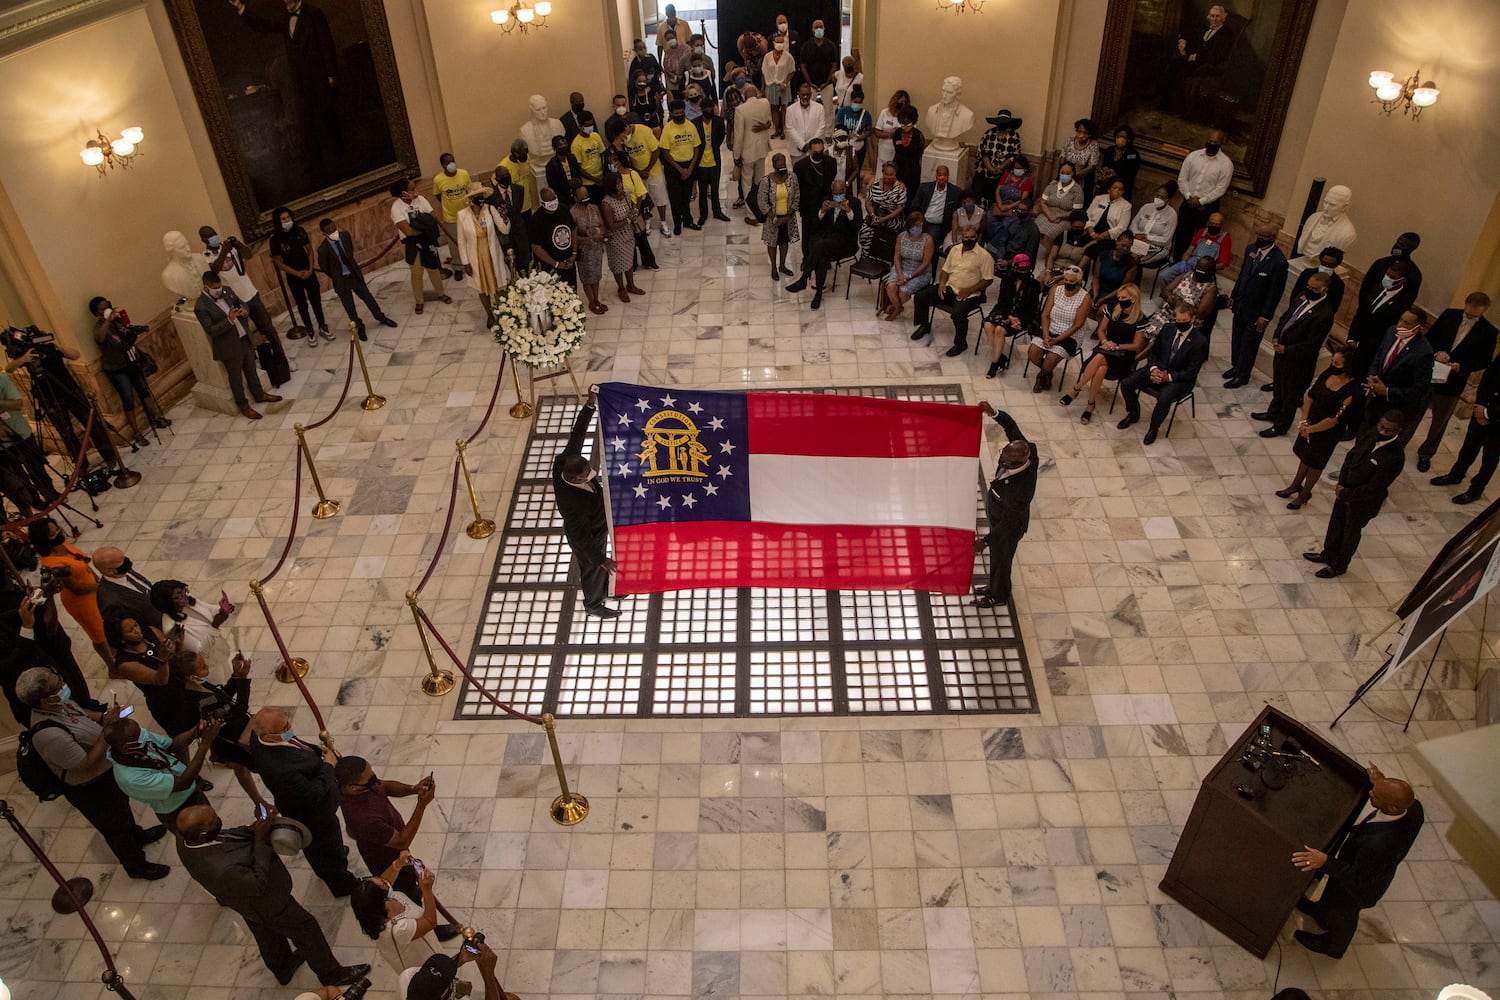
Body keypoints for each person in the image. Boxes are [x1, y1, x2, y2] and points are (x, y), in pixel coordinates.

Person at [176, 803, 371, 987]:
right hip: (267, 902)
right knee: (307, 928)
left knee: (266, 934)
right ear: (203, 834)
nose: (219, 822)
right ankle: (332, 975)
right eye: (215, 822)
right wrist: (260, 841)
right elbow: (257, 883)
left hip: (244, 901)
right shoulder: (221, 868)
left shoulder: (185, 838)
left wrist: (251, 830)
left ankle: (283, 967)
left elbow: (225, 838)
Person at [16, 669, 168, 879]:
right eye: (56, 688)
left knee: (122, 808)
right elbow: (84, 765)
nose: (63, 687)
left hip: (106, 770)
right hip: (90, 787)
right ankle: (136, 866)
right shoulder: (49, 735)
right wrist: (108, 730)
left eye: (60, 680)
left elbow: (87, 715)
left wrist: (110, 716)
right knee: (114, 827)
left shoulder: (61, 704)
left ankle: (137, 835)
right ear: (42, 700)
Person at [1290, 764, 1424, 957]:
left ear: (1392, 807)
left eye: (1376, 795)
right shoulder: (1413, 809)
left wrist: (1324, 861)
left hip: (1359, 887)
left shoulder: (1380, 845)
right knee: (1331, 897)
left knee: (1342, 913)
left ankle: (1334, 946)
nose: (1370, 793)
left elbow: (1356, 876)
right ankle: (1321, 912)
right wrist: (1380, 783)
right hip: (1361, 867)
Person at [248, 705, 358, 897]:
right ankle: (343, 884)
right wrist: (328, 765)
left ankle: (325, 867)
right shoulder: (280, 769)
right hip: (314, 814)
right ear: (268, 737)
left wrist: (316, 752)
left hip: (299, 807)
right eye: (283, 728)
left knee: (315, 847)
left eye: (287, 722)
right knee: (326, 846)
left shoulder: (259, 738)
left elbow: (296, 744)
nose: (289, 728)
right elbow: (312, 793)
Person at [227, 0, 341, 175]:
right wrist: (241, 7)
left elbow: (326, 42)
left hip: (319, 76)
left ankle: (336, 156)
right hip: (299, 79)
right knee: (305, 119)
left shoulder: (314, 14)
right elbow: (263, 26)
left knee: (326, 116)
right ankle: (314, 160)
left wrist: (331, 73)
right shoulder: (284, 17)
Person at [1303, 412, 1408, 577]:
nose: (1382, 431)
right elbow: (1351, 457)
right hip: (1345, 490)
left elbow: (1375, 487)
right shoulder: (1371, 434)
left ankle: (1339, 565)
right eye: (1381, 426)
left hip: (1362, 502)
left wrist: (1347, 493)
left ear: (1398, 430)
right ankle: (1328, 554)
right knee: (1336, 524)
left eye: (1388, 429)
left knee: (1350, 533)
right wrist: (1342, 484)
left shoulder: (1395, 457)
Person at [1414, 293, 1496, 473]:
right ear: (1466, 304)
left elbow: (1483, 361)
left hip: (1453, 382)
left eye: (1475, 314)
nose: (1471, 315)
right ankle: (1399, 442)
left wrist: (1461, 366)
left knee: (1439, 422)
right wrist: (1437, 353)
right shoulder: (1450, 315)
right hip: (1429, 373)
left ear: (1484, 310)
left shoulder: (1489, 332)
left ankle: (1426, 454)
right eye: (1469, 311)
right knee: (1414, 411)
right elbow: (1430, 337)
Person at [554, 388, 618, 618]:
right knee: (592, 568)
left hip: (597, 523)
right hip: (589, 535)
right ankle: (593, 604)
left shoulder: (564, 461)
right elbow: (580, 536)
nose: (591, 474)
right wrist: (600, 558)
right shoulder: (573, 506)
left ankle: (609, 589)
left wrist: (590, 406)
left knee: (603, 564)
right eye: (586, 474)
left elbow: (577, 434)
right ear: (574, 479)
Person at [197, 226, 290, 380]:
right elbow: (214, 271)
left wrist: (239, 246)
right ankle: (258, 369)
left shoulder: (228, 247)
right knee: (246, 337)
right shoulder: (206, 256)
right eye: (209, 236)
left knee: (268, 328)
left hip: (250, 293)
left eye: (215, 234)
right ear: (203, 240)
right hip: (234, 301)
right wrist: (224, 252)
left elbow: (249, 255)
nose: (214, 237)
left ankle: (282, 360)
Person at [350, 854, 465, 976]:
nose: (385, 881)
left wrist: (398, 863)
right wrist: (427, 890)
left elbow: (386, 880)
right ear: (380, 899)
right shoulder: (399, 929)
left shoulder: (383, 901)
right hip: (421, 960)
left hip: (425, 942)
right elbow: (430, 922)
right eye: (383, 883)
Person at [1276, 342, 1359, 510]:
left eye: (1337, 364)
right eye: (1332, 362)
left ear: (1347, 367)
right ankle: (1295, 484)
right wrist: (1304, 421)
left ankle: (1306, 493)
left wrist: (1311, 430)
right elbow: (1310, 396)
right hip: (1310, 423)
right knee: (1304, 456)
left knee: (1315, 462)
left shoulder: (1351, 390)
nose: (1332, 366)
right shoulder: (1328, 373)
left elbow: (1334, 419)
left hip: (1327, 432)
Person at [1253, 271, 1337, 438]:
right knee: (1278, 385)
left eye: (1314, 288)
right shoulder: (1302, 296)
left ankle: (1281, 425)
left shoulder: (1324, 314)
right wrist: (1277, 335)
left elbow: (1311, 344)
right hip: (1281, 351)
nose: (1309, 290)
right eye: (1308, 286)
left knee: (1290, 394)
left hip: (1298, 361)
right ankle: (1272, 412)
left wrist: (1287, 349)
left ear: (1323, 290)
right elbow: (1286, 316)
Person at [193, 271, 283, 420]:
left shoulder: (227, 291)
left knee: (251, 369)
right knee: (236, 378)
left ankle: (259, 394)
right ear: (206, 287)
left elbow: (244, 304)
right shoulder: (201, 306)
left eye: (220, 286)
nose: (219, 290)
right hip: (228, 346)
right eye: (215, 288)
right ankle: (244, 406)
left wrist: (244, 312)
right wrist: (229, 320)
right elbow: (211, 330)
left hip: (244, 339)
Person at [973, 402, 1038, 610]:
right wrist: (994, 413)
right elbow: (1011, 426)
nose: (1001, 460)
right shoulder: (1027, 449)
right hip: (1000, 515)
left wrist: (985, 541)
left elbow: (1008, 525)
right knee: (998, 559)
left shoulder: (1021, 492)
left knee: (1002, 561)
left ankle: (998, 595)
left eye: (1006, 460)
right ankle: (995, 586)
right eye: (1003, 454)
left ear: (1018, 464)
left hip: (1009, 527)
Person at [1118, 300, 1209, 445]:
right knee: (1126, 383)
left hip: (1178, 379)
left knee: (1164, 398)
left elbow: (1192, 371)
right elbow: (1154, 352)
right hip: (1157, 369)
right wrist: (1154, 369)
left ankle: (1154, 427)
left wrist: (1168, 377)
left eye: (1184, 320)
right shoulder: (1168, 329)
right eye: (1178, 320)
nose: (1180, 323)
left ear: (1192, 319)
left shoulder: (1200, 342)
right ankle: (1134, 412)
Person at [105, 714, 220, 824]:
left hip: (192, 791)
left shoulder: (139, 741)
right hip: (178, 809)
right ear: (125, 748)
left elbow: (174, 745)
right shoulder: (132, 778)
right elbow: (183, 783)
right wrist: (205, 744)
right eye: (138, 735)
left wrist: (196, 730)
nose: (144, 733)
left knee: (213, 823)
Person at [335, 755, 437, 876]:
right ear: (353, 788)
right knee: (411, 889)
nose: (374, 778)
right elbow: (401, 841)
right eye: (370, 779)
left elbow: (383, 786)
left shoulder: (365, 784)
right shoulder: (363, 819)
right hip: (390, 864)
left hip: (399, 850)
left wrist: (414, 789)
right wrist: (421, 805)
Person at [28, 518, 111, 667]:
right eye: (53, 534)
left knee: (108, 624)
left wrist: (98, 581)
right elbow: (76, 588)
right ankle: (112, 666)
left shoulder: (63, 545)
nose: (59, 533)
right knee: (99, 634)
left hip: (93, 588)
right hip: (81, 601)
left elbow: (82, 562)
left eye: (57, 529)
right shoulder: (52, 563)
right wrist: (101, 587)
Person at [89, 296, 169, 447]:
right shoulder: (99, 328)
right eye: (103, 308)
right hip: (116, 368)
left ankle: (156, 418)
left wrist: (122, 319)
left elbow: (128, 332)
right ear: (96, 313)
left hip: (130, 362)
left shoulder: (117, 323)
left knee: (144, 390)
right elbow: (100, 338)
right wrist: (107, 320)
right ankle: (137, 432)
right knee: (128, 398)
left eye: (108, 306)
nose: (107, 309)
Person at [1065, 282, 1148, 423]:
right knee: (1101, 368)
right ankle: (1090, 405)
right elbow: (1101, 331)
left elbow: (1136, 345)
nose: (1120, 300)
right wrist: (1104, 342)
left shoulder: (1140, 319)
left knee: (1099, 358)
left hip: (1123, 355)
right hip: (1106, 348)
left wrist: (1117, 346)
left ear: (1133, 299)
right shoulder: (1112, 308)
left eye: (1123, 298)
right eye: (1119, 297)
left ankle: (1076, 389)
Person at [1223, 221, 1289, 387]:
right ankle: (1235, 366)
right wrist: (1234, 295)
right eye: (1259, 234)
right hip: (1241, 304)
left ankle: (1243, 374)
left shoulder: (1279, 262)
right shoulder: (1251, 249)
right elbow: (1243, 274)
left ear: (1273, 238)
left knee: (1249, 344)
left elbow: (1275, 293)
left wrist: (1265, 316)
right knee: (1237, 338)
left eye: (1264, 236)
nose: (1260, 238)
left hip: (1257, 311)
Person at [912, 225, 995, 356]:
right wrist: (942, 284)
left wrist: (970, 290)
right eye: (966, 237)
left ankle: (961, 343)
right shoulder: (955, 250)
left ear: (977, 237)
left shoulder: (985, 256)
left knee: (958, 313)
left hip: (970, 294)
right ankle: (924, 325)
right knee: (921, 296)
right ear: (961, 237)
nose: (969, 240)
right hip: (950, 288)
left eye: (972, 237)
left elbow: (988, 280)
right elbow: (945, 270)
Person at [1431, 352, 1500, 505]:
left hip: (1497, 420)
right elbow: (1487, 379)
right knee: (1469, 446)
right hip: (1481, 409)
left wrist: (1488, 413)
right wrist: (1480, 406)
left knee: (1490, 458)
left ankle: (1475, 490)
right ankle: (1456, 474)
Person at [1361, 308, 1434, 445]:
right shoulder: (1391, 332)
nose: (1400, 325)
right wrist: (1372, 377)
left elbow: (1419, 389)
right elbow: (1379, 357)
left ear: (1418, 328)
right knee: (1364, 436)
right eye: (1400, 319)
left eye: (1407, 323)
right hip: (1374, 399)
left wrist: (1387, 391)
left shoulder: (1423, 353)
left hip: (1395, 407)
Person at [317, 219, 399, 339]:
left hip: (354, 275)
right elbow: (325, 267)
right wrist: (337, 275)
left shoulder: (345, 236)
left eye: (334, 228)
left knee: (367, 296)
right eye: (330, 231)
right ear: (324, 234)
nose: (334, 231)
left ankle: (380, 317)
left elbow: (350, 252)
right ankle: (359, 326)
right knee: (349, 306)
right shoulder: (323, 249)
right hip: (341, 280)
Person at [785, 178, 859, 309]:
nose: (837, 197)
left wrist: (849, 212)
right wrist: (822, 212)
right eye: (835, 194)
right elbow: (814, 225)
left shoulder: (855, 203)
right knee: (821, 253)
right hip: (825, 239)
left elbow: (857, 227)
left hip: (844, 242)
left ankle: (803, 279)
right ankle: (818, 293)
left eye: (840, 193)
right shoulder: (826, 199)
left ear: (845, 191)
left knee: (819, 246)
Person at [268, 207, 332, 347]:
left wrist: (310, 268)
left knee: (316, 300)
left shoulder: (300, 231)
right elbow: (278, 262)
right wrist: (297, 273)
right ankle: (309, 330)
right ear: (278, 222)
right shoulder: (275, 240)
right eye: (283, 219)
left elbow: (309, 251)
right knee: (302, 304)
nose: (287, 221)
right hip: (294, 276)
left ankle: (322, 326)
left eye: (288, 218)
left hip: (308, 272)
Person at [1024, 264, 1093, 391]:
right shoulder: (1056, 290)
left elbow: (1078, 324)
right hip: (1050, 329)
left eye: (1071, 281)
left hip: (1070, 335)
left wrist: (1057, 340)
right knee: (1033, 354)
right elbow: (1045, 314)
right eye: (1066, 280)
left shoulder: (1085, 298)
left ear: (1079, 281)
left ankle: (1042, 376)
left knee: (1050, 360)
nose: (1068, 283)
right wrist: (1045, 334)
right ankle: (1047, 373)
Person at [390, 178, 451, 315]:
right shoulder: (396, 208)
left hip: (426, 240)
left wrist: (424, 227)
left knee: (434, 268)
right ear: (403, 193)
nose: (415, 191)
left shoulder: (421, 200)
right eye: (411, 189)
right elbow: (408, 231)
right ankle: (419, 301)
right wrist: (425, 227)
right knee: (417, 272)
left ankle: (441, 293)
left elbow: (433, 217)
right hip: (410, 243)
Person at [1171, 131, 1233, 260]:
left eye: (1215, 142)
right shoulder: (1193, 156)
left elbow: (1220, 189)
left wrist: (1201, 201)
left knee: (1202, 239)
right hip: (1188, 202)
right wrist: (1188, 196)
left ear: (1221, 144)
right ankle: (1176, 263)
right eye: (1210, 141)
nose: (1211, 144)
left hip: (1207, 207)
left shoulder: (1226, 164)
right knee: (1182, 235)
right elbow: (1182, 178)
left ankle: (1194, 266)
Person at [981, 253, 1040, 378]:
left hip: (1021, 316)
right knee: (987, 325)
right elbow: (1001, 301)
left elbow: (1032, 309)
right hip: (1005, 310)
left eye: (1025, 270)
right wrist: (1008, 316)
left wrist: (1017, 319)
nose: (1023, 272)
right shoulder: (1007, 279)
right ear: (1014, 268)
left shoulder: (1034, 285)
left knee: (999, 330)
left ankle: (994, 363)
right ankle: (1000, 357)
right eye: (1020, 270)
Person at [455, 182, 511, 313]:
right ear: (471, 199)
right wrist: (465, 262)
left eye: (482, 195)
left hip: (492, 252)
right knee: (481, 286)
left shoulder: (490, 209)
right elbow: (461, 240)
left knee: (499, 283)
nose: (481, 198)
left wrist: (505, 218)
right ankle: (489, 314)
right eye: (477, 195)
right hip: (476, 255)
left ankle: (502, 312)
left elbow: (505, 230)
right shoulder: (462, 215)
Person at [599, 170, 647, 303]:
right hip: (616, 239)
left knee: (629, 262)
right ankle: (621, 288)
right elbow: (610, 226)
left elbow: (631, 206)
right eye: (617, 184)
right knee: (618, 266)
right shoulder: (607, 203)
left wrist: (634, 211)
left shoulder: (625, 195)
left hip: (628, 236)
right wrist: (627, 221)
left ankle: (630, 285)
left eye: (620, 183)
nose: (620, 186)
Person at [879, 211, 934, 322]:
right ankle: (899, 308)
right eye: (914, 227)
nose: (917, 230)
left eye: (919, 227)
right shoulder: (901, 236)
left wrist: (908, 277)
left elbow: (925, 264)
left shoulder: (928, 240)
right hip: (903, 266)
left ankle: (895, 308)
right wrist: (900, 274)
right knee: (890, 287)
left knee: (903, 291)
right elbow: (897, 257)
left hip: (920, 271)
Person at [659, 100, 703, 235]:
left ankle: (688, 221)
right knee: (675, 198)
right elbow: (665, 152)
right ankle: (677, 224)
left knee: (686, 196)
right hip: (673, 167)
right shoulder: (667, 129)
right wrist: (680, 169)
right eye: (676, 113)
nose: (680, 115)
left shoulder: (691, 126)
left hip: (689, 165)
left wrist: (690, 168)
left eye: (682, 112)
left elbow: (696, 148)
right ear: (671, 113)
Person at [732, 84, 775, 223]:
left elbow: (738, 136)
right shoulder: (765, 103)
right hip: (762, 148)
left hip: (748, 151)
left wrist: (736, 155)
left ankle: (751, 215)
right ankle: (762, 209)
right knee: (760, 180)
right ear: (756, 94)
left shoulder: (740, 110)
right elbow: (769, 122)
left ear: (744, 96)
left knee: (747, 183)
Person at [1159, 210, 1231, 287]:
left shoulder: (1226, 239)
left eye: (1217, 224)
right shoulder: (1202, 232)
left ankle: (1179, 295)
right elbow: (1189, 250)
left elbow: (1222, 265)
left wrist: (1206, 268)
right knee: (1164, 275)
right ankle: (1168, 295)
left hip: (1204, 269)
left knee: (1186, 283)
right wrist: (1184, 261)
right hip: (1190, 263)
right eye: (1212, 223)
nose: (1213, 226)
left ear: (1221, 225)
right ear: (1208, 223)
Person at [91, 546, 159, 628]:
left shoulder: (123, 571)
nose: (127, 561)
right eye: (122, 561)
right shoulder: (109, 601)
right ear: (109, 571)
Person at [758, 153, 801, 281]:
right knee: (772, 243)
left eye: (783, 164)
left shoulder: (792, 177)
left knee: (784, 241)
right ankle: (773, 268)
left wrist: (789, 215)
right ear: (774, 166)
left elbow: (796, 195)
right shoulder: (767, 181)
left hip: (788, 217)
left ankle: (782, 265)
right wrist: (774, 218)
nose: (782, 167)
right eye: (779, 165)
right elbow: (762, 201)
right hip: (773, 219)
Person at [1034, 162, 1086, 266]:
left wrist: (1058, 216)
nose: (1064, 175)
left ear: (1073, 173)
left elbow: (1076, 212)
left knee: (1050, 234)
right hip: (1047, 214)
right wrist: (1049, 215)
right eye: (1062, 172)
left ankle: (1049, 260)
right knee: (1033, 228)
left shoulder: (1077, 190)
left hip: (1065, 218)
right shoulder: (1052, 185)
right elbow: (1043, 203)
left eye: (1068, 173)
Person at [570, 182, 608, 316]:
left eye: (586, 196)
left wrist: (598, 232)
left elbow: (603, 226)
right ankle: (591, 302)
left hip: (596, 249)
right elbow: (573, 236)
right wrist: (587, 238)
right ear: (575, 197)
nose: (585, 198)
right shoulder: (572, 213)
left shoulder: (594, 208)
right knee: (587, 278)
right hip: (584, 251)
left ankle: (597, 299)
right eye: (582, 197)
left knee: (596, 276)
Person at [527, 187, 577, 286]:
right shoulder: (536, 219)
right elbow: (536, 247)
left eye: (553, 199)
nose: (552, 203)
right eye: (549, 201)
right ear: (543, 203)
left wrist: (574, 253)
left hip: (568, 261)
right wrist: (556, 264)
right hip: (549, 267)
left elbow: (573, 228)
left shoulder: (563, 209)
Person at [431, 153, 471, 273]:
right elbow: (438, 195)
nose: (451, 164)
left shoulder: (464, 173)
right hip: (451, 217)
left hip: (467, 213)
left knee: (470, 238)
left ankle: (471, 262)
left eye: (452, 161)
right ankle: (458, 267)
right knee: (454, 243)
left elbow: (469, 189)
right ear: (443, 165)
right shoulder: (438, 180)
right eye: (448, 162)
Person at [859, 161, 907, 260]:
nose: (889, 177)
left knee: (881, 234)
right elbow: (868, 202)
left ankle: (880, 257)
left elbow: (899, 209)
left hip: (892, 218)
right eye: (886, 174)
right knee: (865, 232)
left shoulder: (900, 188)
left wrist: (884, 218)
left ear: (895, 174)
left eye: (891, 175)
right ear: (882, 173)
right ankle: (866, 257)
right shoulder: (875, 184)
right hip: (875, 215)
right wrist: (872, 215)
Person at [793, 136, 836, 244]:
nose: (818, 154)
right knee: (808, 235)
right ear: (810, 151)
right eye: (815, 152)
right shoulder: (800, 166)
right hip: (808, 206)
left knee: (824, 234)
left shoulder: (831, 162)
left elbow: (831, 178)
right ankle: (807, 258)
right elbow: (797, 186)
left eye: (821, 152)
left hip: (825, 204)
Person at [1162, 257, 1220, 335]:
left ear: (1211, 272)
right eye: (1198, 267)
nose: (1200, 270)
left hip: (1185, 323)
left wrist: (1179, 305)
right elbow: (1166, 291)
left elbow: (1200, 314)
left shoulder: (1211, 290)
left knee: (1158, 336)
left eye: (1203, 269)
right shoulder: (1186, 275)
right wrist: (1170, 297)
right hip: (1166, 313)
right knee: (1145, 332)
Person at [1128, 182, 1179, 266]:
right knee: (1122, 251)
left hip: (1157, 246)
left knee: (1133, 258)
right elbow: (1133, 225)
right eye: (1157, 195)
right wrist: (1137, 235)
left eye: (1162, 197)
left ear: (1168, 199)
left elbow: (1165, 240)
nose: (1158, 198)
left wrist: (1147, 237)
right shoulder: (1146, 207)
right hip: (1137, 240)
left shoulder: (1172, 215)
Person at [799, 17, 838, 128]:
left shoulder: (831, 46)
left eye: (820, 27)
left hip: (827, 84)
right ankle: (810, 130)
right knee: (809, 109)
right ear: (812, 30)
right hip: (811, 85)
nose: (818, 29)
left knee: (828, 110)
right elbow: (803, 66)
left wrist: (827, 81)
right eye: (816, 27)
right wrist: (810, 83)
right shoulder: (806, 47)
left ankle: (828, 133)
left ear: (824, 29)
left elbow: (834, 65)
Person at [977, 109, 1024, 191]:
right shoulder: (989, 133)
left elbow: (1015, 156)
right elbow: (982, 152)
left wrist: (1000, 168)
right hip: (985, 173)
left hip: (1004, 175)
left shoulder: (1014, 136)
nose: (1002, 124)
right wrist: (990, 168)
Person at [913, 166, 958, 247]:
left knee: (930, 240)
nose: (942, 177)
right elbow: (915, 205)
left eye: (945, 175)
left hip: (935, 225)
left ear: (948, 176)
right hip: (921, 220)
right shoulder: (924, 187)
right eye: (940, 175)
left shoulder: (955, 192)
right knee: (913, 235)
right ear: (936, 176)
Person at [1083, 179, 1132, 254]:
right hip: (1091, 232)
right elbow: (1087, 216)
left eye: (1120, 189)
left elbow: (1121, 227)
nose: (1117, 190)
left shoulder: (1126, 206)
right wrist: (1092, 232)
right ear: (1109, 189)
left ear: (1123, 192)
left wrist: (1101, 236)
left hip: (1109, 238)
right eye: (1114, 187)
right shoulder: (1098, 198)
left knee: (1095, 250)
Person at [761, 32, 796, 138]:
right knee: (774, 108)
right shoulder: (767, 56)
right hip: (771, 84)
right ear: (773, 42)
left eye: (782, 42)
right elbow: (764, 72)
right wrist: (763, 88)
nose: (779, 44)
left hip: (783, 85)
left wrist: (785, 81)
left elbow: (792, 71)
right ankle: (776, 129)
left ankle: (784, 130)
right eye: (778, 42)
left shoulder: (788, 57)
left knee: (784, 107)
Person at [1058, 119, 1100, 201]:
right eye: (1079, 131)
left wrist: (1076, 174)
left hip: (1082, 180)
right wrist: (1064, 172)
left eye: (1085, 133)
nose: (1081, 135)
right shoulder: (1070, 141)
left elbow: (1092, 166)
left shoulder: (1094, 145)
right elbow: (1062, 157)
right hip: (1066, 176)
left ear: (1090, 134)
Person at [1091, 234, 1140, 302]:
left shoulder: (1131, 264)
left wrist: (1104, 299)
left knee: (1102, 311)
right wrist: (1095, 296)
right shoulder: (1103, 255)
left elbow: (1123, 287)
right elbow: (1096, 277)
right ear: (1117, 241)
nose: (1125, 249)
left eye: (1128, 247)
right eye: (1123, 245)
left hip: (1116, 295)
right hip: (1098, 290)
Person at [890, 106, 924, 203]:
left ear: (913, 121)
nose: (905, 125)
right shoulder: (897, 133)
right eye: (902, 123)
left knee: (910, 196)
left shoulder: (919, 135)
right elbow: (896, 148)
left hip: (912, 171)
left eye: (907, 123)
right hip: (898, 168)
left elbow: (920, 153)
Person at [1099, 125, 1141, 201]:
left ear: (1129, 139)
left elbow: (1130, 173)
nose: (1121, 139)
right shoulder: (1110, 150)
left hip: (1122, 188)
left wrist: (1114, 174)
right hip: (1106, 186)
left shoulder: (1132, 154)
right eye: (1119, 136)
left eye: (1124, 137)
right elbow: (1104, 165)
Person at [872, 91, 910, 175]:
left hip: (899, 150)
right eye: (901, 101)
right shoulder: (885, 112)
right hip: (884, 148)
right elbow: (877, 132)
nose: (902, 104)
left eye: (905, 102)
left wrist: (899, 133)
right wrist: (890, 134)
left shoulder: (908, 116)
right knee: (882, 173)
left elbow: (911, 135)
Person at [495, 140, 537, 216]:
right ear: (515, 154)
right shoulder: (503, 167)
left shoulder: (527, 159)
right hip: (514, 208)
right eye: (523, 155)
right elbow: (496, 188)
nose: (526, 157)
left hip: (527, 205)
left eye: (526, 153)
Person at [784, 84, 823, 161]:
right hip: (796, 149)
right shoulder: (790, 109)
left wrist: (810, 145)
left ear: (811, 94)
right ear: (799, 94)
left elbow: (821, 128)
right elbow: (789, 129)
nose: (805, 97)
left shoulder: (820, 108)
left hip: (814, 150)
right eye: (803, 95)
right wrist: (802, 145)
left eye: (807, 95)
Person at [835, 86, 872, 165]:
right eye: (855, 102)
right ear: (851, 100)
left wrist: (861, 137)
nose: (857, 104)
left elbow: (869, 130)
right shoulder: (843, 111)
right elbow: (838, 126)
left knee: (857, 166)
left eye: (859, 103)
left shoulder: (866, 114)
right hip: (845, 145)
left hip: (859, 146)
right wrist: (847, 135)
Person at [548, 135, 583, 208]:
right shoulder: (551, 166)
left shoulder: (572, 158)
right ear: (554, 148)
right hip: (563, 199)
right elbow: (554, 187)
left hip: (577, 195)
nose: (564, 146)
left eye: (565, 143)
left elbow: (578, 175)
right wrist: (566, 202)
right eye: (560, 145)